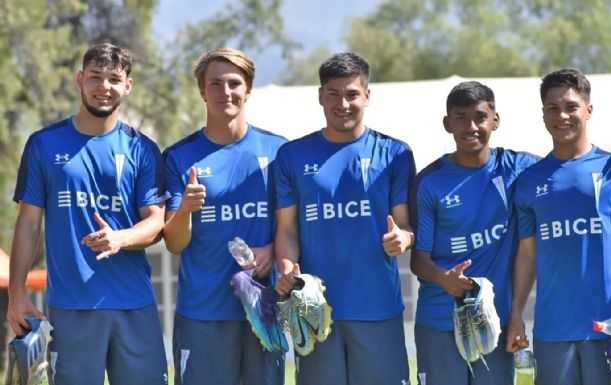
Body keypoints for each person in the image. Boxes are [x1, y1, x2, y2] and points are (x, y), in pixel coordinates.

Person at [410, 81, 611, 385]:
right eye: (461, 117)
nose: (472, 126)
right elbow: (417, 261)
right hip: (438, 319)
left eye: (480, 117)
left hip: (495, 322)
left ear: (495, 120)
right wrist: (444, 278)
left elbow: (567, 166)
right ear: (447, 123)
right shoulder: (429, 180)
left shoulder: (521, 169)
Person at [8, 43, 168, 385]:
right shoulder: (42, 144)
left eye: (114, 78)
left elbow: (157, 221)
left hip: (134, 305)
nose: (104, 87)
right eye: (95, 77)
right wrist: (17, 293)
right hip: (71, 308)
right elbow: (28, 223)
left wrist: (120, 238)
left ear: (128, 85)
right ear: (80, 80)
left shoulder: (143, 149)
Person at [506, 68, 611, 385]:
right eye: (552, 108)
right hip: (552, 332)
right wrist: (516, 312)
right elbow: (527, 254)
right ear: (543, 114)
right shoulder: (529, 181)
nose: (562, 115)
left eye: (571, 106)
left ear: (588, 110)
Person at [273, 52, 414, 385]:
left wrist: (403, 238)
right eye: (334, 93)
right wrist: (286, 267)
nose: (343, 103)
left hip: (377, 307)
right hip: (315, 310)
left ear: (367, 95)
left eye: (352, 94)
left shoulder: (395, 153)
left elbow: (406, 226)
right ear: (320, 96)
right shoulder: (292, 156)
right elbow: (287, 230)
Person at [162, 48, 286, 385]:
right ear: (202, 91)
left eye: (234, 83)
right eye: (215, 84)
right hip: (203, 315)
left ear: (248, 89)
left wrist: (274, 249)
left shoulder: (279, 152)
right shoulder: (178, 157)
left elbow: (297, 226)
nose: (225, 92)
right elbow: (174, 243)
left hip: (264, 311)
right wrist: (185, 209)